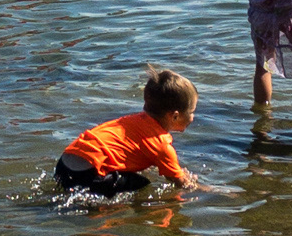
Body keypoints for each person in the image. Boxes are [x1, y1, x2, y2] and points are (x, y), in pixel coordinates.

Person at [56, 66, 199, 197]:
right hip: (86, 174)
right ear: (174, 116)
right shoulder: (162, 146)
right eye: (192, 112)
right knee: (142, 184)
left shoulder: (133, 121)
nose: (193, 117)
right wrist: (212, 191)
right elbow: (183, 185)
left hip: (64, 164)